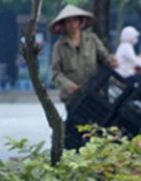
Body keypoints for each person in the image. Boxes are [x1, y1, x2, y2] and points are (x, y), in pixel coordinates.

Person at [49, 5, 116, 149]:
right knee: (75, 132)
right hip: (74, 98)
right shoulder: (59, 47)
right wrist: (68, 85)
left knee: (97, 130)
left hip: (94, 94)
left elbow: (104, 58)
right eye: (68, 22)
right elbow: (55, 73)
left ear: (81, 22)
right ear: (63, 25)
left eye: (74, 21)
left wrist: (111, 61)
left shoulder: (91, 40)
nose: (72, 25)